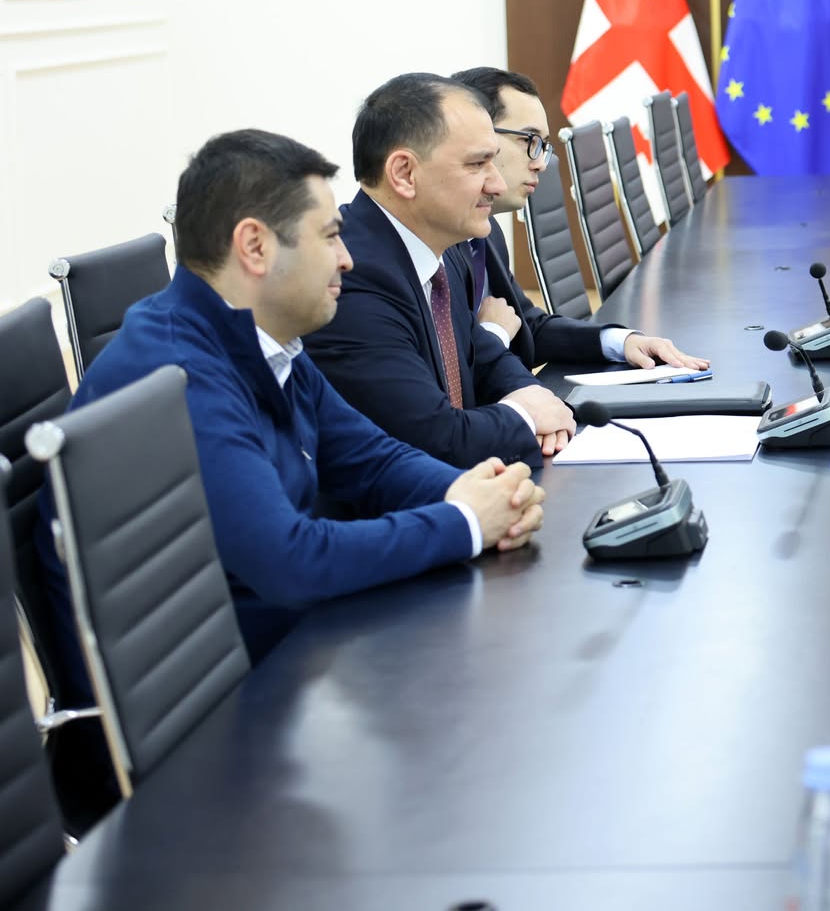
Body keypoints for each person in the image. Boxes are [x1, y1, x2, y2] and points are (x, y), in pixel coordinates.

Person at [42, 130, 546, 662]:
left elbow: (370, 459)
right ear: (255, 247)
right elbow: (289, 560)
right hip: (224, 688)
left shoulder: (260, 337)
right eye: (329, 237)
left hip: (284, 645)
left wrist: (474, 493)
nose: (346, 259)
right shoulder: (179, 373)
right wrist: (465, 522)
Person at [305, 73, 575, 467]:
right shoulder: (352, 278)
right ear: (404, 174)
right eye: (478, 164)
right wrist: (526, 416)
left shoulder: (445, 249)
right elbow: (435, 439)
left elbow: (484, 356)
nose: (497, 184)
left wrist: (538, 400)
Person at [450, 66, 705, 371]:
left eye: (543, 146)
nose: (541, 164)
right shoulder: (437, 246)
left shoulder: (485, 233)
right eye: (530, 140)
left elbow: (526, 327)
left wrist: (621, 341)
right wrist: (496, 334)